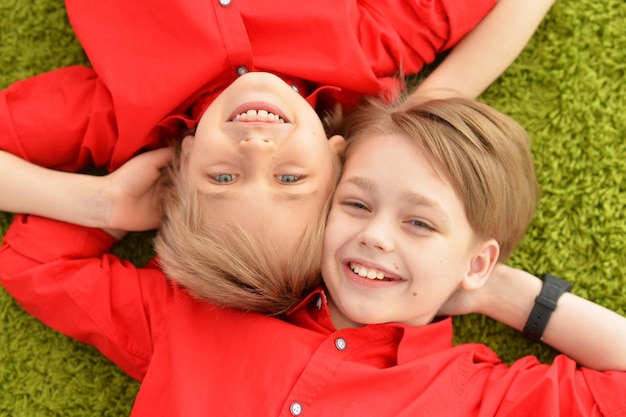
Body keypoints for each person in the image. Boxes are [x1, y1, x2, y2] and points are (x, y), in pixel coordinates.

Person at [1, 96, 625, 416]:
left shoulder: (472, 395)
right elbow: (38, 260)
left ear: (476, 260)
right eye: (355, 205)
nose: (378, 236)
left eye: (418, 223)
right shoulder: (195, 315)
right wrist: (113, 205)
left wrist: (503, 294)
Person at [0, 0, 556, 313]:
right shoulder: (366, 52)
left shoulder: (117, 112)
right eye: (291, 177)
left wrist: (100, 203)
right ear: (341, 159)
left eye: (223, 176)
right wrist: (437, 98)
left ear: (182, 162)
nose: (257, 148)